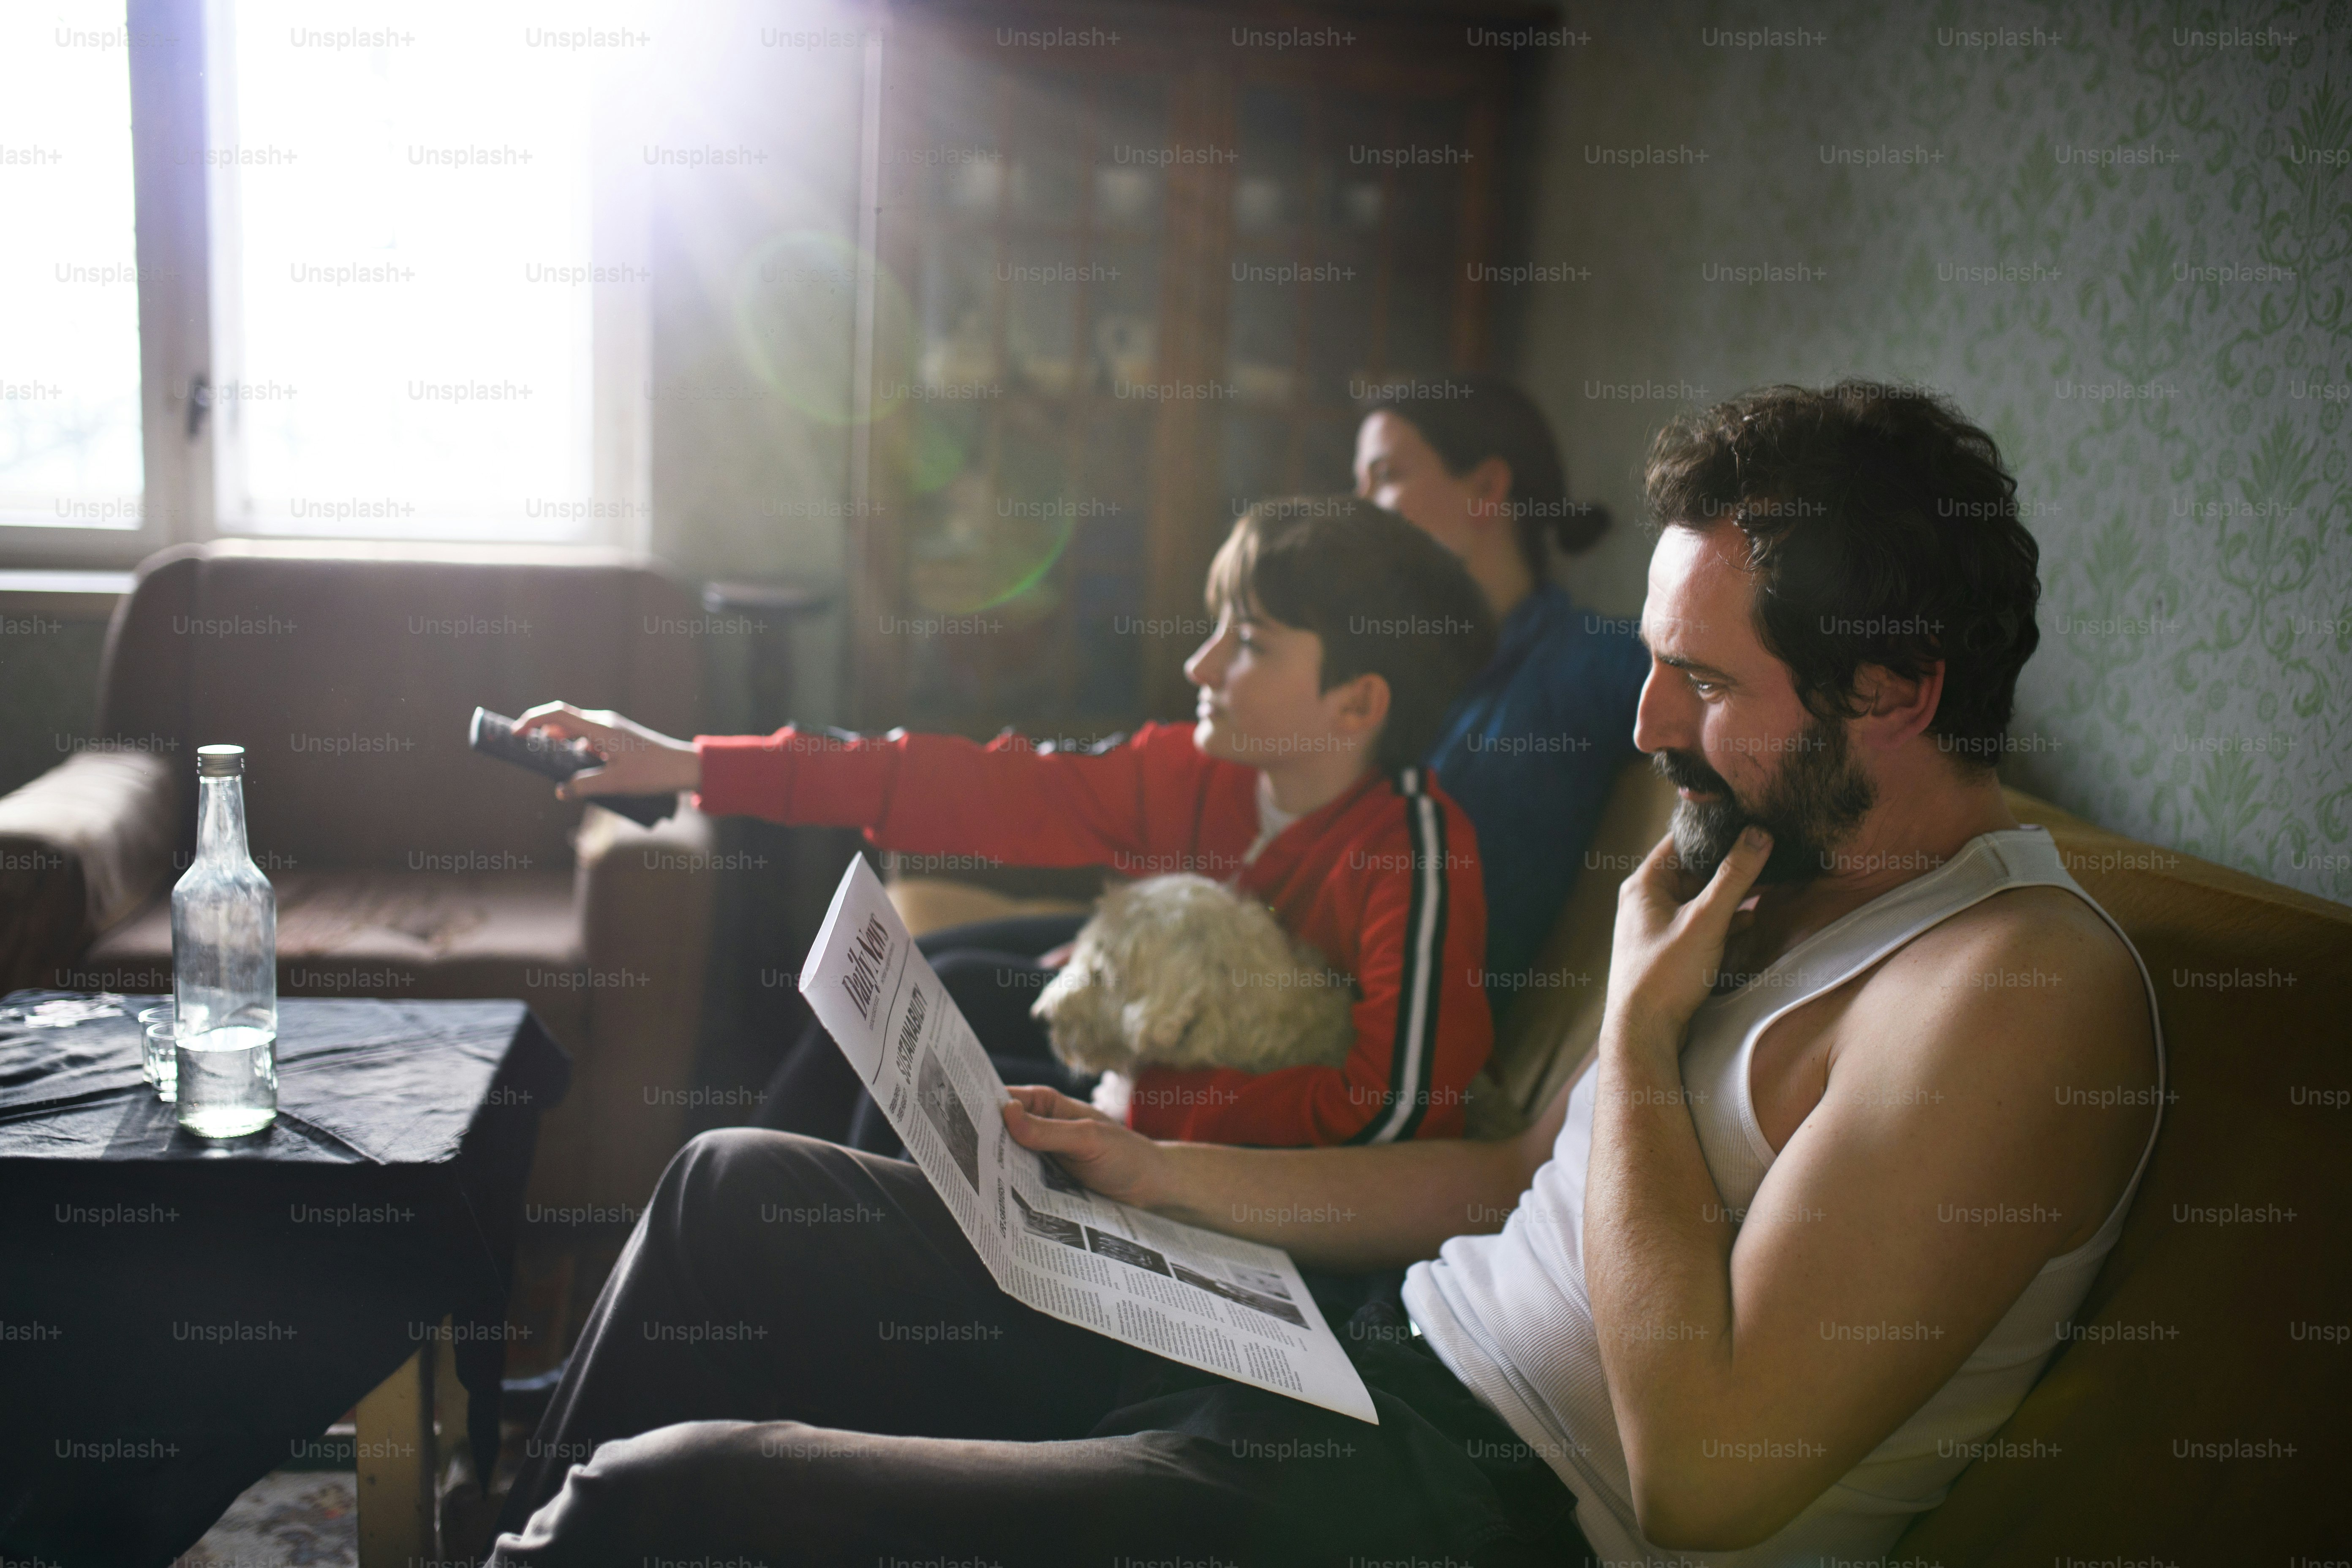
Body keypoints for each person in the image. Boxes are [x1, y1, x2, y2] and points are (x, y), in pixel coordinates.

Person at [487, 382, 2162, 1567]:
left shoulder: (2023, 991)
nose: (1651, 731)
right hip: (1374, 1358)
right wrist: (1154, 1172)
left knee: (673, 1502)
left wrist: (1643, 1037)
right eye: (1651, 669)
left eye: (1705, 685)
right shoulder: (1756, 862)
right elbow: (1511, 1177)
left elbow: (1709, 1478)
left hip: (1489, 1510)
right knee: (733, 1195)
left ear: (1893, 692)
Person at [524, 496, 1500, 1148]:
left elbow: (1394, 1113)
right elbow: (961, 784)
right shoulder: (1194, 768)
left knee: (918, 1084)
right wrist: (690, 762)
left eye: (1247, 644)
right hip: (1154, 1066)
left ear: (1356, 705)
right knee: (900, 1003)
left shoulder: (1414, 853)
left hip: (1210, 1139)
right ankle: (731, 1262)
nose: (1199, 667)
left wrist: (1145, 1116)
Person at [1356, 378, 1650, 1004]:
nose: (1358, 509)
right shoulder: (1400, 681)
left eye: (1384, 477)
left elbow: (1725, 689)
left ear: (1487, 488)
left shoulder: (1586, 660)